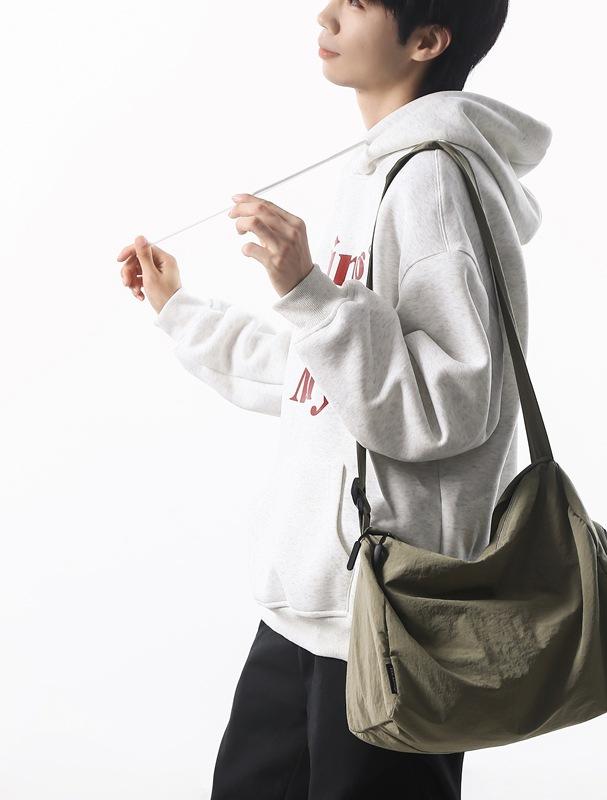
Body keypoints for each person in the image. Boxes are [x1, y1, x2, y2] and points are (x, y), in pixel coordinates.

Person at [117, 0, 552, 796]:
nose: (326, 14)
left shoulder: (433, 185)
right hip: (308, 607)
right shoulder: (375, 173)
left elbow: (449, 408)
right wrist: (180, 310)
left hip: (393, 622)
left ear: (427, 40)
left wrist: (308, 290)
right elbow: (322, 384)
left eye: (358, 2)